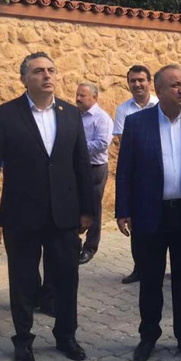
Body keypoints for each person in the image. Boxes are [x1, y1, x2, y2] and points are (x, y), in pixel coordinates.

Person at [0, 52, 94, 361]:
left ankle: (66, 336)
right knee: (23, 282)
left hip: (64, 214)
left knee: (66, 279)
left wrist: (88, 210)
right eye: (39, 71)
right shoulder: (5, 115)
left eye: (51, 70)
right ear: (24, 78)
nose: (47, 75)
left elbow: (81, 164)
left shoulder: (70, 114)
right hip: (21, 215)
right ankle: (23, 341)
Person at [115, 64, 181, 361]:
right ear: (159, 91)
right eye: (175, 85)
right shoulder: (137, 123)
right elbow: (125, 170)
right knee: (150, 280)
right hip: (150, 214)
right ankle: (148, 336)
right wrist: (123, 210)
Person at [113, 65, 159, 284]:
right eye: (133, 81)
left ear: (149, 82)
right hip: (138, 175)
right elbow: (124, 144)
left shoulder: (160, 105)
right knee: (137, 224)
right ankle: (139, 267)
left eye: (141, 80)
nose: (137, 84)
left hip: (160, 172)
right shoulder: (123, 110)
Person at [75, 82, 114, 265]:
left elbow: (102, 144)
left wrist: (78, 148)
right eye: (77, 95)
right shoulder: (75, 115)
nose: (78, 98)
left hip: (95, 168)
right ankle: (73, 244)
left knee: (93, 208)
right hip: (76, 167)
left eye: (82, 95)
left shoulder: (102, 118)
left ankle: (90, 247)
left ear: (94, 97)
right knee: (73, 205)